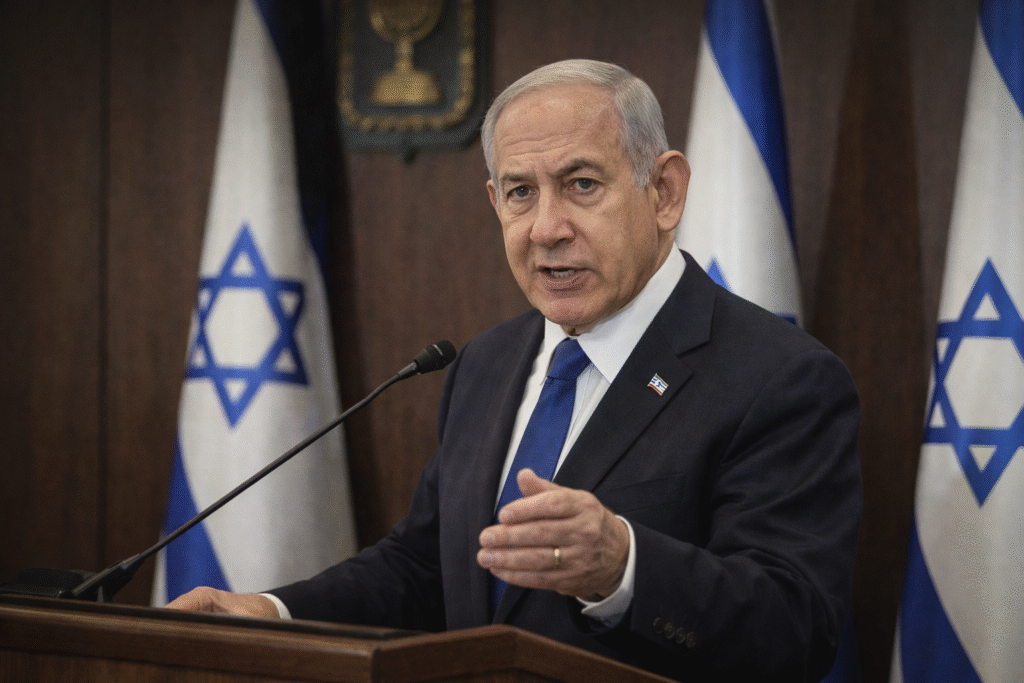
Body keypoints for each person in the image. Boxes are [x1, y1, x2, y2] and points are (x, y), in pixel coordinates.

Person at [168, 59, 862, 683]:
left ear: (665, 192)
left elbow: (793, 632)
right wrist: (270, 609)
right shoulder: (488, 361)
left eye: (581, 184)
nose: (545, 227)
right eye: (521, 192)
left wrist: (624, 567)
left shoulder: (781, 378)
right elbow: (427, 567)